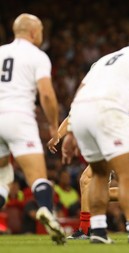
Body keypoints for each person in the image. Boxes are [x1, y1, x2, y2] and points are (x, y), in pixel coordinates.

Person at [62, 27, 129, 244]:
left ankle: (98, 231)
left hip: (81, 113)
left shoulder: (104, 60)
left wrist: (71, 131)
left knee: (98, 176)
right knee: (125, 175)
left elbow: (81, 90)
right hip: (109, 114)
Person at [0, 13, 65, 244]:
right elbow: (46, 94)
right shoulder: (37, 56)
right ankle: (47, 211)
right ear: (34, 32)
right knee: (37, 176)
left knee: (2, 176)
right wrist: (53, 125)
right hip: (19, 118)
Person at [49, 109, 129, 239]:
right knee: (98, 192)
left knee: (86, 180)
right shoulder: (89, 95)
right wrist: (58, 136)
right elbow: (71, 117)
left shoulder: (114, 94)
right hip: (102, 146)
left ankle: (85, 229)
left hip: (117, 145)